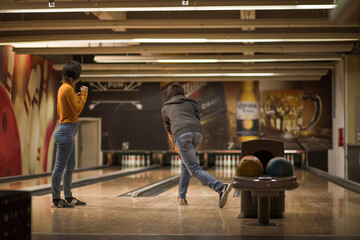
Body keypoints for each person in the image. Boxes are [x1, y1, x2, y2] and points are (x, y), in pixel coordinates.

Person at [161, 83, 233, 208]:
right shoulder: (192, 102)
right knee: (186, 164)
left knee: (194, 169)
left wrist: (175, 147)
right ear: (183, 92)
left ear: (169, 95)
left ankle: (220, 187)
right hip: (197, 133)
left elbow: (169, 131)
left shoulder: (165, 108)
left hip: (182, 135)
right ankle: (181, 197)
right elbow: (197, 119)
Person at [51, 60, 88, 208]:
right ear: (76, 76)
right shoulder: (67, 89)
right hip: (66, 131)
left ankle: (68, 197)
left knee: (70, 166)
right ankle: (56, 199)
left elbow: (71, 106)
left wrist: (77, 96)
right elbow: (78, 110)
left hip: (67, 131)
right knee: (59, 168)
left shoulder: (65, 88)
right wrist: (84, 95)